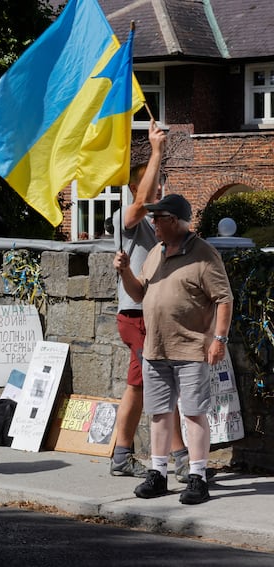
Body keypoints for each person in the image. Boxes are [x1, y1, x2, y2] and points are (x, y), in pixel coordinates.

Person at [114, 193, 233, 505]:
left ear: (178, 222)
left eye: (160, 218)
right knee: (159, 414)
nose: (153, 223)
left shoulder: (204, 255)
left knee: (193, 414)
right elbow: (139, 293)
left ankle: (197, 476)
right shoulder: (156, 252)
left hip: (192, 348)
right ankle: (158, 473)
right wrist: (125, 271)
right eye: (153, 218)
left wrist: (219, 340)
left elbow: (224, 298)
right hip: (156, 348)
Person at [110, 121, 188, 480]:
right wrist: (156, 149)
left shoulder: (159, 224)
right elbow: (141, 202)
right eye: (154, 183)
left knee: (138, 386)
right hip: (137, 314)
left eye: (162, 183)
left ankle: (121, 454)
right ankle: (182, 459)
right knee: (161, 386)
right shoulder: (127, 218)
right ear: (134, 188)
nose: (160, 188)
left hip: (146, 316)